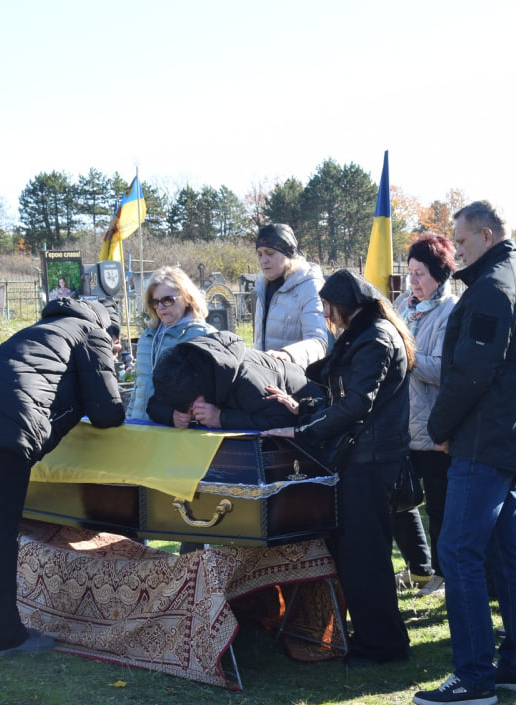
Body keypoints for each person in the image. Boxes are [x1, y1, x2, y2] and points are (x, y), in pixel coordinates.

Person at [0, 298, 125, 657]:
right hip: (7, 421)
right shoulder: (92, 333)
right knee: (0, 529)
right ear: (107, 325)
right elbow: (107, 412)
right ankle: (5, 636)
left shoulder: (41, 329)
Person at [412, 201, 516, 705]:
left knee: (458, 552)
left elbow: (470, 371)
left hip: (484, 439)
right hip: (509, 438)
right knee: (505, 550)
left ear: (487, 236)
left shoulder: (493, 288)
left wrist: (440, 425)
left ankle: (473, 674)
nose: (458, 252)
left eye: (463, 242)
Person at [263, 269, 413, 667]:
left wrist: (303, 431)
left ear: (341, 307)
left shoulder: (377, 337)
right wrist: (302, 408)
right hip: (361, 457)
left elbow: (357, 404)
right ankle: (377, 637)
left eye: (327, 308)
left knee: (367, 556)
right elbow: (341, 396)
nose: (326, 316)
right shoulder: (364, 335)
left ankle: (383, 646)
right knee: (358, 554)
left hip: (371, 460)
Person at [390, 232, 458, 596]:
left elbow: (446, 371)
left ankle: (444, 575)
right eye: (410, 272)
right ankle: (420, 567)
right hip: (399, 424)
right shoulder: (403, 305)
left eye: (419, 274)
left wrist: (406, 355)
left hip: (434, 427)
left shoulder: (451, 312)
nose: (412, 281)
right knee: (397, 499)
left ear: (440, 274)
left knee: (439, 506)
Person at [149, 330, 324, 431]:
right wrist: (172, 415)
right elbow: (154, 403)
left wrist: (222, 418)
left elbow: (283, 420)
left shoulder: (249, 382)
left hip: (311, 417)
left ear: (202, 387)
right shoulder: (182, 370)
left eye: (189, 406)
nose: (191, 411)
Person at [125, 266, 214, 422]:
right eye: (155, 301)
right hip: (139, 431)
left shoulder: (202, 336)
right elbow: (139, 388)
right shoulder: (148, 337)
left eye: (168, 300)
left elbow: (209, 395)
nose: (160, 307)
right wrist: (129, 419)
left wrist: (172, 416)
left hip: (176, 435)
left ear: (187, 298)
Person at [252, 223, 328, 369]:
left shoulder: (309, 285)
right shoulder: (262, 286)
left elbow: (318, 341)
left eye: (270, 253)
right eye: (260, 254)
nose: (263, 260)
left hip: (298, 378)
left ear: (287, 253)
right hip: (266, 377)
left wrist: (288, 355)